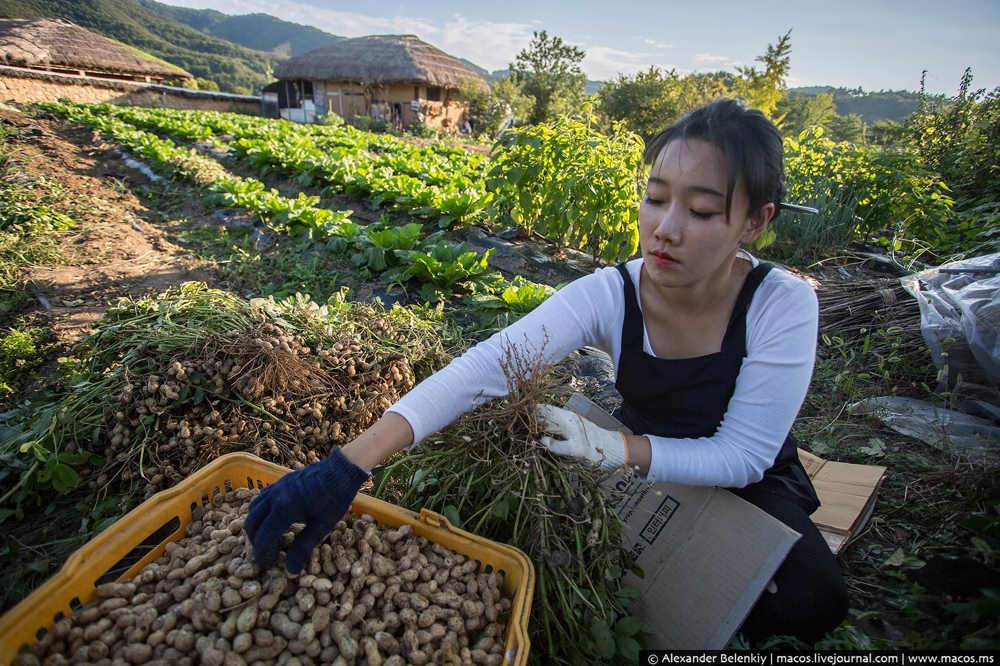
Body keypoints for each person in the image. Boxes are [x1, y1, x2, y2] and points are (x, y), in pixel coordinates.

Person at [244, 98, 849, 643]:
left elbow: (743, 453)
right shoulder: (612, 293)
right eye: (657, 198)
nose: (665, 228)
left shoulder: (781, 303)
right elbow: (487, 365)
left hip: (731, 474)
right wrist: (349, 463)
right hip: (636, 457)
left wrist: (618, 449)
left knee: (810, 602)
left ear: (754, 223)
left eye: (702, 210)